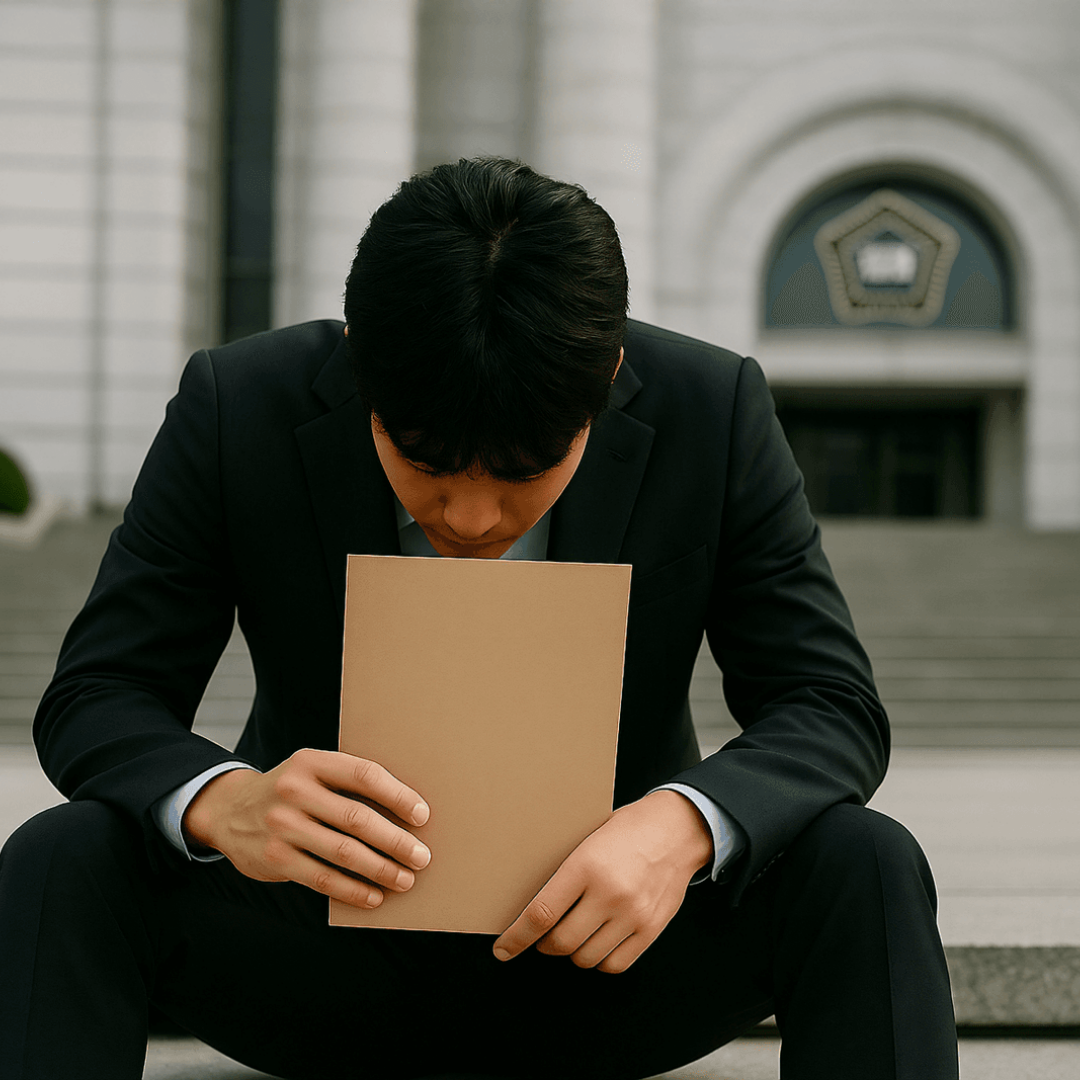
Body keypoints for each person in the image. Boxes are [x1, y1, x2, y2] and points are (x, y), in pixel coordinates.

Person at [0, 157, 958, 1080]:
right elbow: (98, 693)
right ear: (358, 367)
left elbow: (829, 703)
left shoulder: (712, 408)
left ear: (608, 378)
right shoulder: (235, 404)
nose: (469, 518)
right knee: (63, 854)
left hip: (613, 955)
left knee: (866, 861)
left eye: (523, 475)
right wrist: (227, 803)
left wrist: (683, 827)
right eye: (422, 462)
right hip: (314, 955)